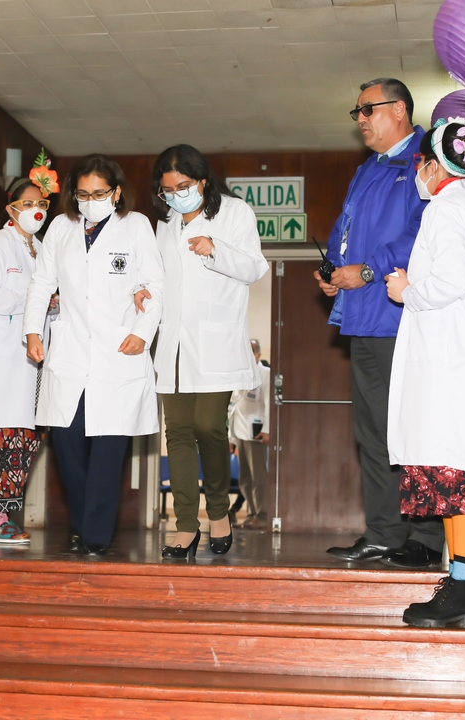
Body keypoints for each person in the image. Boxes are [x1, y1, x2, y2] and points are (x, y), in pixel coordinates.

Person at [385, 118, 465, 628]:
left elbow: (450, 282)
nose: (419, 172)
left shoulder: (445, 209)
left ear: (435, 166)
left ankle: (464, 593)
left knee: (460, 474)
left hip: (452, 367)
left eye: (421, 163)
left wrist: (406, 291)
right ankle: (463, 591)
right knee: (464, 476)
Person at [317, 78, 445, 568]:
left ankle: (427, 538)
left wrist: (368, 271)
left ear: (399, 110)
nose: (361, 120)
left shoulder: (426, 161)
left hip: (404, 318)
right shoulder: (366, 170)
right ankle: (385, 533)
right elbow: (344, 231)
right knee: (374, 433)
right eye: (357, 113)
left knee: (416, 428)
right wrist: (334, 271)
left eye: (367, 109)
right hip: (364, 319)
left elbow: (424, 234)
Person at [24, 154, 163, 556]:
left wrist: (142, 333)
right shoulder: (60, 228)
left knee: (107, 450)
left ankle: (96, 536)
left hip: (118, 349)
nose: (90, 201)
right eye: (83, 194)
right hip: (69, 352)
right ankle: (84, 524)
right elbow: (42, 282)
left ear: (116, 192)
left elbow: (155, 284)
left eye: (99, 193)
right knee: (67, 448)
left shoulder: (136, 225)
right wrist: (33, 331)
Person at [149, 144, 269, 559]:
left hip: (215, 342)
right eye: (168, 190)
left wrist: (216, 249)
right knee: (178, 433)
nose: (175, 196)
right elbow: (159, 277)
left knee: (207, 426)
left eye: (183, 186)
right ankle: (186, 526)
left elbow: (254, 267)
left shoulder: (234, 212)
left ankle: (218, 511)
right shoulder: (165, 224)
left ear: (202, 181)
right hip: (173, 345)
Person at [0, 171, 56, 544]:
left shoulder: (41, 248)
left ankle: (4, 516)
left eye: (41, 203)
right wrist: (31, 302)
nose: (36, 210)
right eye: (27, 204)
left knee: (26, 436)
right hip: (2, 357)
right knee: (4, 435)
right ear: (11, 209)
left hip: (31, 361)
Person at [229, 339, 270, 530]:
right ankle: (252, 514)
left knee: (258, 477)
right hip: (240, 432)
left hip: (257, 433)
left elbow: (269, 404)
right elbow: (233, 407)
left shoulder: (265, 374)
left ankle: (262, 515)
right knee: (245, 478)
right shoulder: (238, 375)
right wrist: (231, 437)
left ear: (258, 355)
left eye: (251, 351)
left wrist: (267, 430)